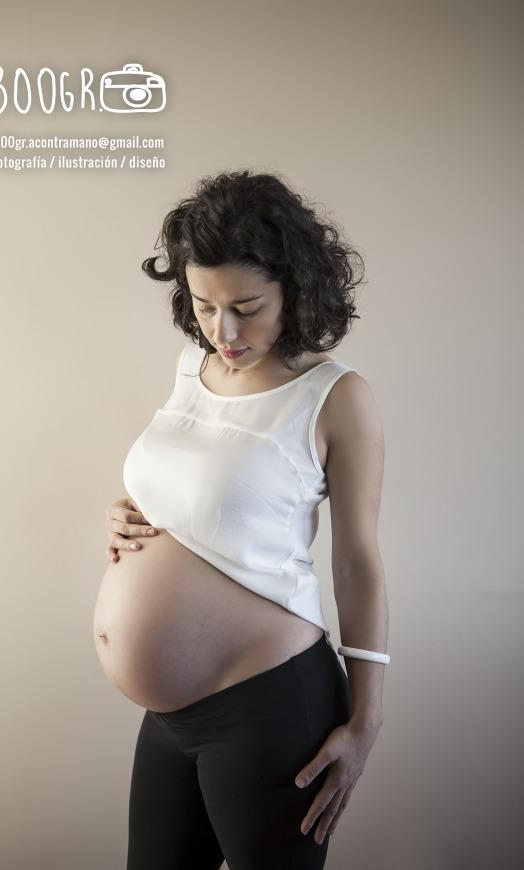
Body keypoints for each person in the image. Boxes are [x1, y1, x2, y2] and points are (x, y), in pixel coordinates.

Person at [104, 168, 389, 869]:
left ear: (296, 289)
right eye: (203, 306)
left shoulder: (334, 397)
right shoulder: (188, 368)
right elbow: (196, 496)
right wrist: (126, 519)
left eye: (246, 307)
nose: (222, 331)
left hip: (267, 706)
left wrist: (366, 720)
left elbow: (357, 562)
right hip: (169, 716)